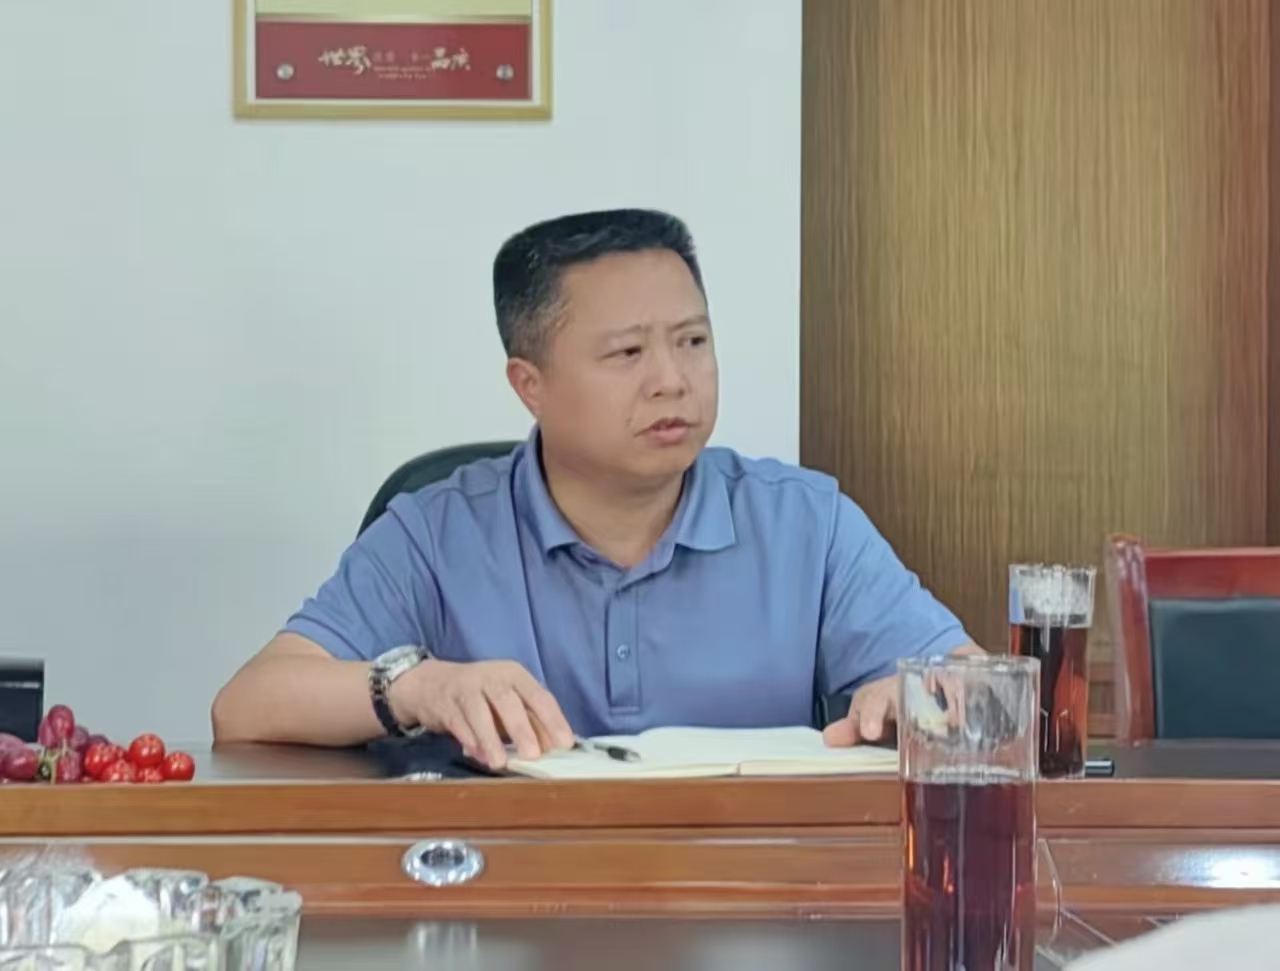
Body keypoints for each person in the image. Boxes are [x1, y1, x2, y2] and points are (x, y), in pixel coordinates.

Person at [212, 209, 981, 767]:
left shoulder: (805, 523)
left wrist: (920, 699)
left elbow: (978, 690)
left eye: (692, 341)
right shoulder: (437, 532)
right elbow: (246, 706)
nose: (672, 380)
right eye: (627, 354)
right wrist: (416, 686)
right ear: (530, 384)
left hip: (751, 899)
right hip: (506, 896)